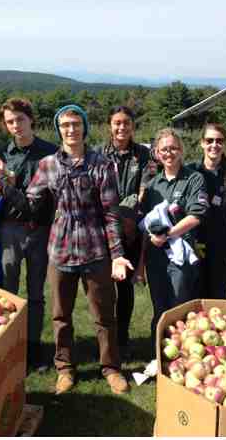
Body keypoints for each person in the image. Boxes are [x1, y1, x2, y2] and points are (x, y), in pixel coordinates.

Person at [0, 104, 133, 396]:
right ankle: (65, 368)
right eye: (65, 125)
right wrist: (5, 185)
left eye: (76, 124)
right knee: (60, 315)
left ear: (84, 127)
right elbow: (30, 206)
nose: (71, 130)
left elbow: (110, 213)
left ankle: (111, 368)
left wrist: (117, 254)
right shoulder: (48, 165)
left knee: (104, 314)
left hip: (95, 250)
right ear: (59, 129)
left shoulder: (101, 164)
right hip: (60, 249)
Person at [0, 97, 58, 372]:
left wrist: (10, 186)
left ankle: (33, 348)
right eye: (10, 122)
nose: (16, 126)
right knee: (8, 291)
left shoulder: (50, 153)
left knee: (35, 293)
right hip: (9, 229)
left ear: (30, 119)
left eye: (20, 119)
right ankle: (8, 346)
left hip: (40, 230)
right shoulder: (1, 154)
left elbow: (48, 197)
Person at [136, 128, 208, 353]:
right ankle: (157, 355)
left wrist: (168, 234)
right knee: (159, 307)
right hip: (156, 258)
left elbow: (196, 216)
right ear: (157, 153)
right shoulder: (152, 185)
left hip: (181, 257)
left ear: (181, 150)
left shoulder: (194, 178)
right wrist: (141, 265)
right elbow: (145, 225)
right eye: (164, 149)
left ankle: (182, 355)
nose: (169, 153)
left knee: (179, 308)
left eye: (174, 148)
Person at [96, 106, 156, 360]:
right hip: (102, 230)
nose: (122, 128)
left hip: (131, 231)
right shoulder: (98, 153)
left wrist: (125, 212)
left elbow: (144, 189)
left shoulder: (144, 154)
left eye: (127, 123)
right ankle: (105, 337)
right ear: (110, 125)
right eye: (117, 123)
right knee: (102, 287)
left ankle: (122, 337)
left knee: (126, 288)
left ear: (133, 126)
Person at [187, 122, 226, 299]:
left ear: (224, 144)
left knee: (218, 295)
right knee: (194, 292)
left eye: (219, 141)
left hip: (223, 243)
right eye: (209, 140)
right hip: (196, 241)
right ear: (202, 143)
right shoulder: (191, 171)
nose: (214, 145)